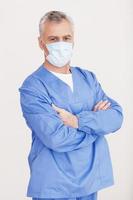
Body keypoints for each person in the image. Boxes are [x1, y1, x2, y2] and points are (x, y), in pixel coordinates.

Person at [18, 10, 124, 200]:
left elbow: (116, 117)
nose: (61, 44)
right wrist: (97, 127)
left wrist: (77, 121)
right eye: (53, 39)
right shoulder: (33, 87)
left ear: (73, 40)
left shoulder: (88, 78)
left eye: (66, 38)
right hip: (54, 184)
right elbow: (56, 138)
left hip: (90, 181)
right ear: (41, 43)